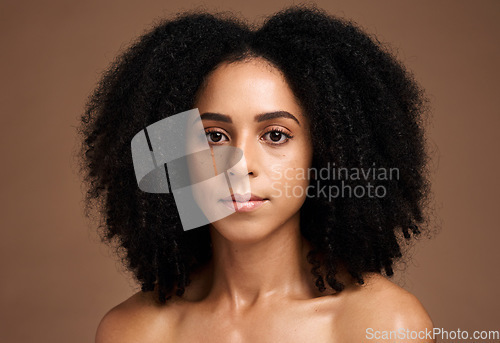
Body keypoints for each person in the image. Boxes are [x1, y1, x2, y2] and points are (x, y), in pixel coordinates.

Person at [77, 5, 434, 342]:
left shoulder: (383, 325)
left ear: (326, 153)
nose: (240, 165)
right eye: (214, 136)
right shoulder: (133, 332)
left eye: (275, 135)